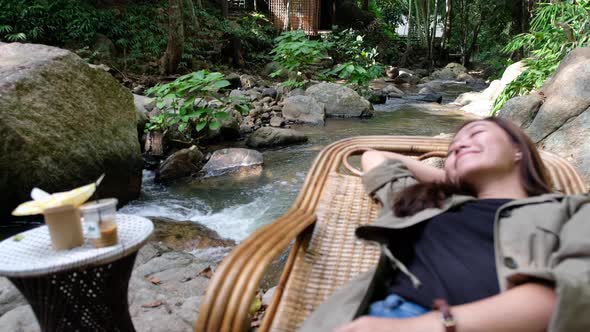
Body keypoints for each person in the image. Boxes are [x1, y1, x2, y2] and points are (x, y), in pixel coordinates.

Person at [300, 117, 590, 332]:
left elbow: (576, 292)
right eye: (452, 150)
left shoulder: (572, 209)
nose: (459, 145)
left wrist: (425, 326)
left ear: (519, 151)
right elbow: (374, 157)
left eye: (476, 133)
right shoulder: (425, 203)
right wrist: (454, 180)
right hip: (384, 316)